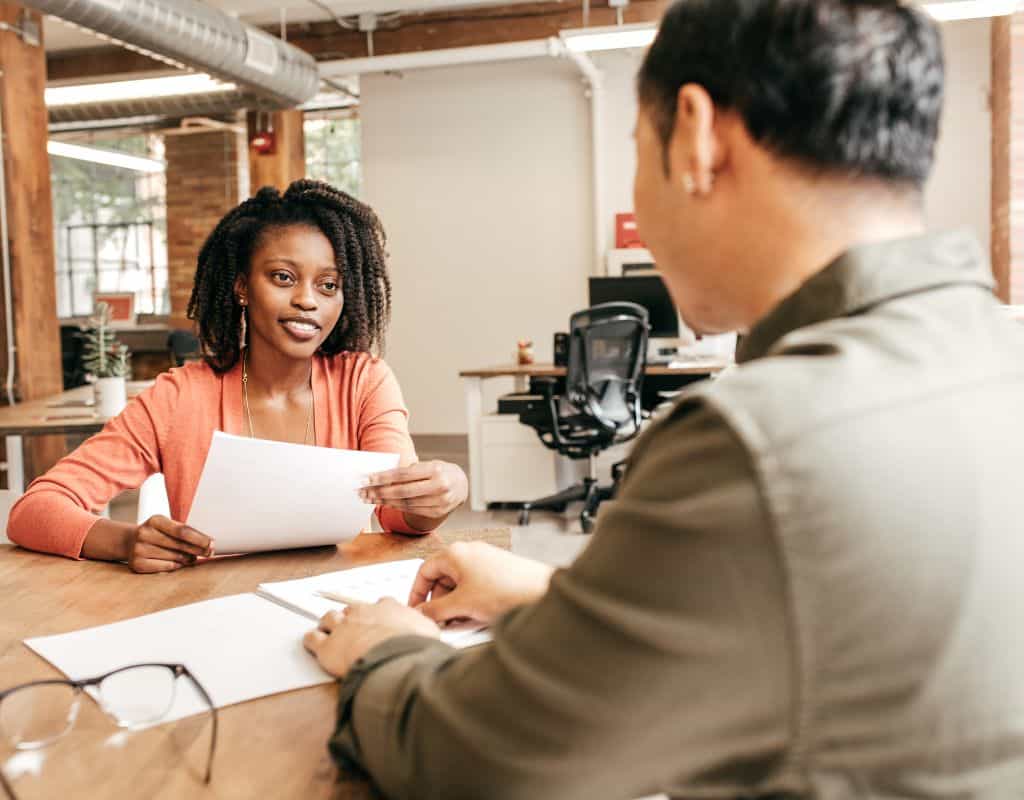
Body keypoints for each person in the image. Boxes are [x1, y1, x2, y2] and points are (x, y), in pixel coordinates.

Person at [302, 1, 1024, 798]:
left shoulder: (757, 444)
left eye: (637, 152)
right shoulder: (997, 360)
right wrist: (560, 598)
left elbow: (479, 763)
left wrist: (387, 647)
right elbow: (860, 627)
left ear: (695, 135)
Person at [7, 180, 468, 572]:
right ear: (242, 286)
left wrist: (444, 492)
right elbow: (33, 510)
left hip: (336, 604)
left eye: (329, 285)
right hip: (212, 606)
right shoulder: (180, 397)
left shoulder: (364, 382)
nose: (309, 300)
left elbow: (395, 513)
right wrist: (125, 542)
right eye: (284, 277)